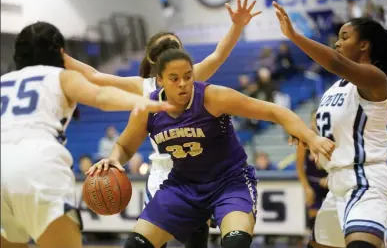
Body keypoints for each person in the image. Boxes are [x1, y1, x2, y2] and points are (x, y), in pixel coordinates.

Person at [64, 0, 262, 248]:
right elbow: (95, 76)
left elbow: (218, 55)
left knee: (197, 238)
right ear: (155, 60)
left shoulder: (188, 77)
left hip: (197, 168)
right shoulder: (143, 85)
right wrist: (64, 59)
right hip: (164, 172)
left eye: (177, 45)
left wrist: (236, 26)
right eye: (169, 46)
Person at [87, 48, 335, 248]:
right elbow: (123, 145)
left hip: (229, 182)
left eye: (188, 76)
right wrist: (114, 159)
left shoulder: (212, 97)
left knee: (236, 242)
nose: (183, 83)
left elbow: (273, 110)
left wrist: (310, 137)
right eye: (175, 79)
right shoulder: (147, 109)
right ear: (159, 81)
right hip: (183, 186)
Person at [0, 21, 173, 248]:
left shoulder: (3, 81)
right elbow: (100, 96)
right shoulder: (60, 76)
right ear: (60, 52)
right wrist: (145, 102)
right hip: (37, 165)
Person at [273, 1, 387, 248]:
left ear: (364, 45)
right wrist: (307, 139)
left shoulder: (375, 78)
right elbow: (329, 133)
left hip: (365, 180)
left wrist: (294, 36)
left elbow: (335, 62)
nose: (337, 43)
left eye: (344, 37)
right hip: (337, 183)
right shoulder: (334, 89)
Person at [296, 110, 328, 233]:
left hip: (330, 182)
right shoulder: (303, 140)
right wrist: (306, 188)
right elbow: (299, 168)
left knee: (335, 218)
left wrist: (331, 178)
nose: (317, 123)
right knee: (314, 222)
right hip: (313, 183)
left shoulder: (331, 137)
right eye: (315, 120)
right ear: (311, 122)